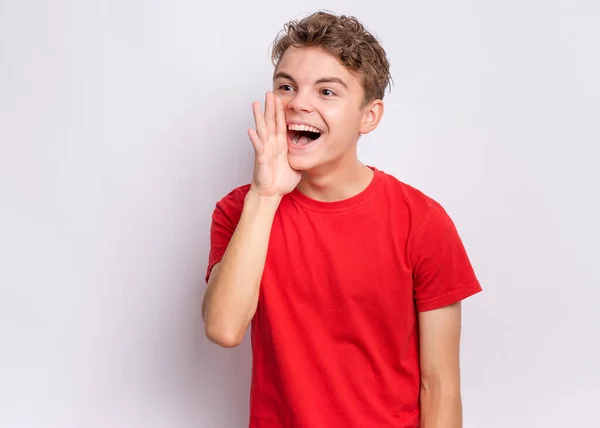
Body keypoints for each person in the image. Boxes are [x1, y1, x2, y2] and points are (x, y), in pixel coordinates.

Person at [202, 10, 482, 428]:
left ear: (368, 116)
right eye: (286, 86)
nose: (299, 102)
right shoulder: (240, 211)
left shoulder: (422, 222)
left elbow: (439, 385)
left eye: (327, 92)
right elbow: (224, 329)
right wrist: (265, 195)